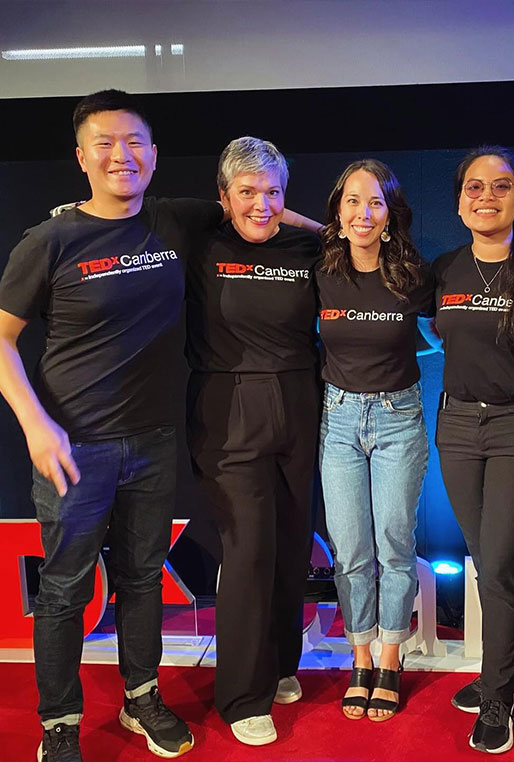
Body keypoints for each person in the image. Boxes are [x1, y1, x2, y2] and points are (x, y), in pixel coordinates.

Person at [0, 90, 224, 762]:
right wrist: (36, 425)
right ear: (81, 156)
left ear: (154, 156)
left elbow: (257, 208)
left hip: (154, 441)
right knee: (66, 588)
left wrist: (338, 232)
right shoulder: (52, 240)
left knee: (142, 578)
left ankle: (141, 696)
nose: (120, 154)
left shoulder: (172, 220)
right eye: (105, 142)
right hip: (76, 448)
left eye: (134, 143)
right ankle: (60, 724)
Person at [184, 136, 321, 746]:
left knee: (293, 541)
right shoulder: (197, 245)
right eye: (247, 192)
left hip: (300, 398)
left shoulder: (306, 245)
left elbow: (360, 240)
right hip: (229, 405)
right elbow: (131, 221)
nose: (261, 205)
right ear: (223, 197)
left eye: (272, 192)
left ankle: (281, 662)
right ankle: (241, 695)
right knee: (246, 550)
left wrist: (290, 214)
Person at [432, 147, 514, 753]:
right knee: (487, 561)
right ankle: (512, 675)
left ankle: (499, 692)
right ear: (458, 202)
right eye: (474, 187)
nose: (487, 196)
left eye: (501, 186)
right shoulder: (444, 269)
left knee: (501, 563)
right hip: (457, 426)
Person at [316, 159, 431, 722]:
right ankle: (359, 657)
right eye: (352, 201)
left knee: (393, 544)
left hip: (397, 420)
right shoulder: (320, 270)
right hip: (337, 421)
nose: (364, 213)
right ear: (337, 211)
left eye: (376, 203)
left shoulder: (414, 276)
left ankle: (391, 658)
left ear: (390, 215)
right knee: (352, 550)